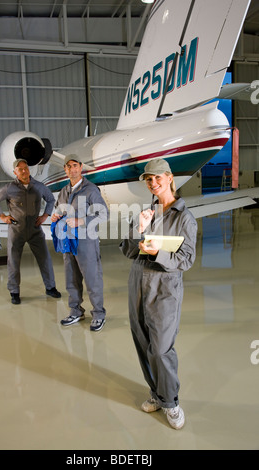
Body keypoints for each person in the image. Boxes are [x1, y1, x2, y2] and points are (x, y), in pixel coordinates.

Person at [119, 158, 198, 430]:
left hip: (165, 288)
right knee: (143, 343)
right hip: (138, 283)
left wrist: (159, 253)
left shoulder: (184, 217)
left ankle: (172, 402)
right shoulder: (146, 212)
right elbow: (128, 250)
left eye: (157, 178)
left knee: (162, 348)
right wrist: (138, 229)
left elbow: (186, 259)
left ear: (169, 177)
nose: (153, 184)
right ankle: (156, 393)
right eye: (149, 180)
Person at [0, 158, 61, 305]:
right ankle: (14, 292)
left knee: (45, 259)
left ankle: (50, 287)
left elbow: (51, 200)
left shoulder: (39, 186)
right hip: (17, 231)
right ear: (15, 172)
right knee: (14, 262)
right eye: (20, 169)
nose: (24, 171)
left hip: (35, 230)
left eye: (25, 168)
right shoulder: (10, 188)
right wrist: (2, 216)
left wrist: (45, 215)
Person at [51, 154, 109, 332]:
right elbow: (59, 209)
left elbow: (104, 214)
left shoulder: (91, 190)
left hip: (86, 243)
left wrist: (81, 221)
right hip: (68, 242)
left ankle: (98, 314)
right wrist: (56, 215)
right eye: (68, 166)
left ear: (81, 167)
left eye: (75, 165)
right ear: (65, 169)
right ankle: (76, 311)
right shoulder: (64, 191)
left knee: (92, 280)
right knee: (71, 279)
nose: (71, 169)